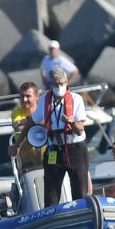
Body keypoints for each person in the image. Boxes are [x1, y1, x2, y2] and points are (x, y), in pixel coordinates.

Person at [39, 67, 91, 206]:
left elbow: (80, 130)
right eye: (55, 84)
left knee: (79, 192)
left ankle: (81, 215)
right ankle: (50, 219)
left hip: (75, 148)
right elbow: (33, 120)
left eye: (61, 83)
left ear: (67, 82)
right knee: (51, 194)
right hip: (54, 148)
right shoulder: (44, 99)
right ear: (50, 84)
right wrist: (17, 143)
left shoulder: (76, 99)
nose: (59, 87)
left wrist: (72, 122)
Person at [8, 81, 47, 212]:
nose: (24, 100)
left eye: (28, 96)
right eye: (22, 96)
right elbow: (17, 126)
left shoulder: (43, 108)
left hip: (45, 152)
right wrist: (34, 121)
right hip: (26, 155)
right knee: (26, 184)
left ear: (37, 96)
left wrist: (28, 122)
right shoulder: (17, 112)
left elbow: (47, 121)